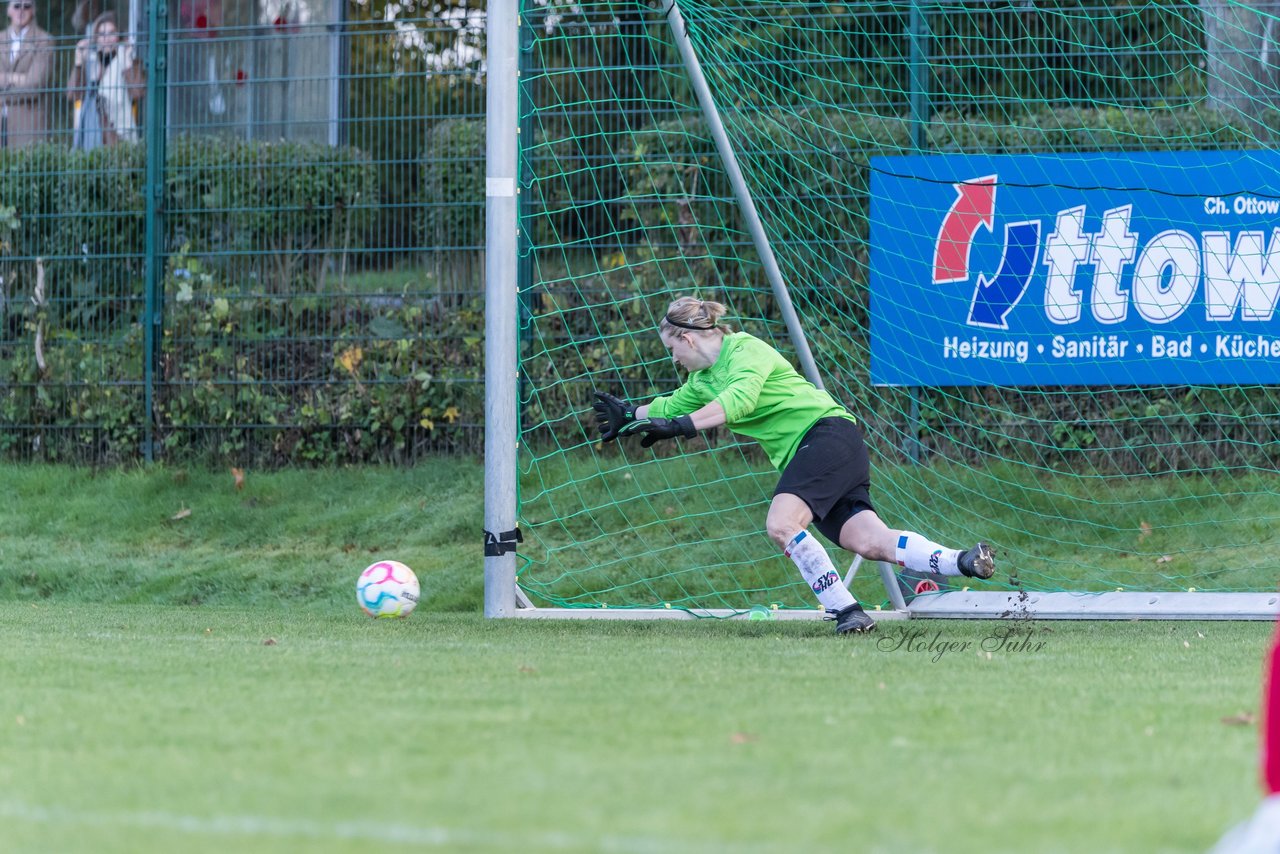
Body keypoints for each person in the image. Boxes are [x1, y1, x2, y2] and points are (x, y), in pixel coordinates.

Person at [592, 296, 996, 635]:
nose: (674, 359)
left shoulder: (745, 349)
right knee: (869, 541)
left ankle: (846, 611)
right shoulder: (701, 382)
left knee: (782, 524)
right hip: (831, 449)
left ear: (686, 338)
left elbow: (739, 401)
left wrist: (679, 427)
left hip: (824, 435)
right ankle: (962, 560)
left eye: (672, 350)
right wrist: (630, 415)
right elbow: (669, 406)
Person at [67, 11, 144, 149]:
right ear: (96, 38)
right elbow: (73, 94)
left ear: (118, 36)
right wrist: (78, 62)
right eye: (101, 34)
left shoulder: (124, 58)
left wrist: (128, 61)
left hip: (118, 131)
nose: (106, 39)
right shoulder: (90, 60)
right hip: (91, 129)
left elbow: (138, 93)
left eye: (111, 33)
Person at [0, 0, 52, 149]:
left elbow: (34, 86)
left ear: (33, 10)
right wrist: (17, 78)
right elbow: (28, 82)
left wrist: (3, 86)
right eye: (16, 6)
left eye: (26, 6)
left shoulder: (44, 41)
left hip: (27, 125)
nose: (21, 10)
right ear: (8, 10)